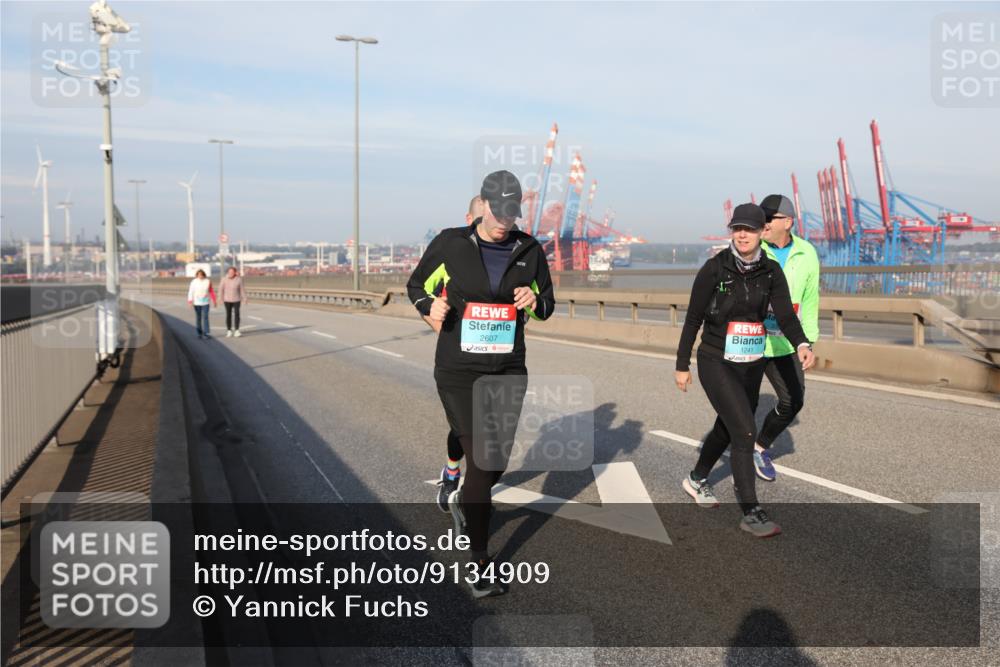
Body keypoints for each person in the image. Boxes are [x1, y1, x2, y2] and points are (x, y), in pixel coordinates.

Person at [407, 171, 555, 597]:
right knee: (485, 461)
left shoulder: (529, 248)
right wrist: (428, 306)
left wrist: (534, 301)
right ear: (484, 204)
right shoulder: (452, 242)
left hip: (507, 368)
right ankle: (479, 562)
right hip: (458, 369)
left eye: (514, 210)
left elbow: (547, 303)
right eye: (500, 209)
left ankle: (464, 499)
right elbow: (416, 284)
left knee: (496, 464)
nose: (506, 218)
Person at [674, 203, 815, 538]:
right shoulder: (714, 269)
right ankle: (751, 511)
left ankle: (695, 479)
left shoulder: (770, 272)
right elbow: (693, 320)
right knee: (745, 432)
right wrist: (682, 365)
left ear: (761, 233)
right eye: (736, 229)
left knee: (727, 428)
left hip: (750, 363)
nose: (742, 235)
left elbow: (785, 315)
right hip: (715, 359)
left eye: (749, 229)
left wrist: (802, 344)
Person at [422, 195, 485, 513]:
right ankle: (452, 475)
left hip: (496, 361)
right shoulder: (451, 253)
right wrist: (438, 326)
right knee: (465, 424)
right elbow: (421, 290)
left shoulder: (509, 255)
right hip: (458, 358)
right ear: (469, 217)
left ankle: (470, 485)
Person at [753, 194, 821, 482]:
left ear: (788, 222)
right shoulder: (752, 250)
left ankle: (759, 447)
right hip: (753, 340)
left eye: (770, 218)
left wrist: (808, 340)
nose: (764, 223)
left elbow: (810, 298)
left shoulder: (807, 253)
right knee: (742, 405)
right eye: (762, 218)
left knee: (793, 401)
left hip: (788, 341)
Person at [187, 269, 217, 339]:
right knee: (198, 317)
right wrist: (190, 301)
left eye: (201, 274)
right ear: (197, 275)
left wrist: (214, 301)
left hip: (206, 302)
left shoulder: (207, 281)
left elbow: (211, 291)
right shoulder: (194, 282)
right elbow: (191, 292)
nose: (200, 276)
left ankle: (206, 333)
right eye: (198, 275)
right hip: (197, 302)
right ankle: (199, 333)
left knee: (205, 317)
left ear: (204, 275)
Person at [219, 266, 248, 338]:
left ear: (235, 272)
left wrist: (245, 298)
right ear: (228, 272)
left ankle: (237, 330)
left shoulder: (239, 280)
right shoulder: (224, 279)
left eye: (232, 272)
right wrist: (220, 298)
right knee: (228, 315)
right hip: (227, 299)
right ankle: (229, 330)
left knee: (237, 314)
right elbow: (220, 289)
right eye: (229, 272)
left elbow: (242, 289)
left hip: (236, 299)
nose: (230, 273)